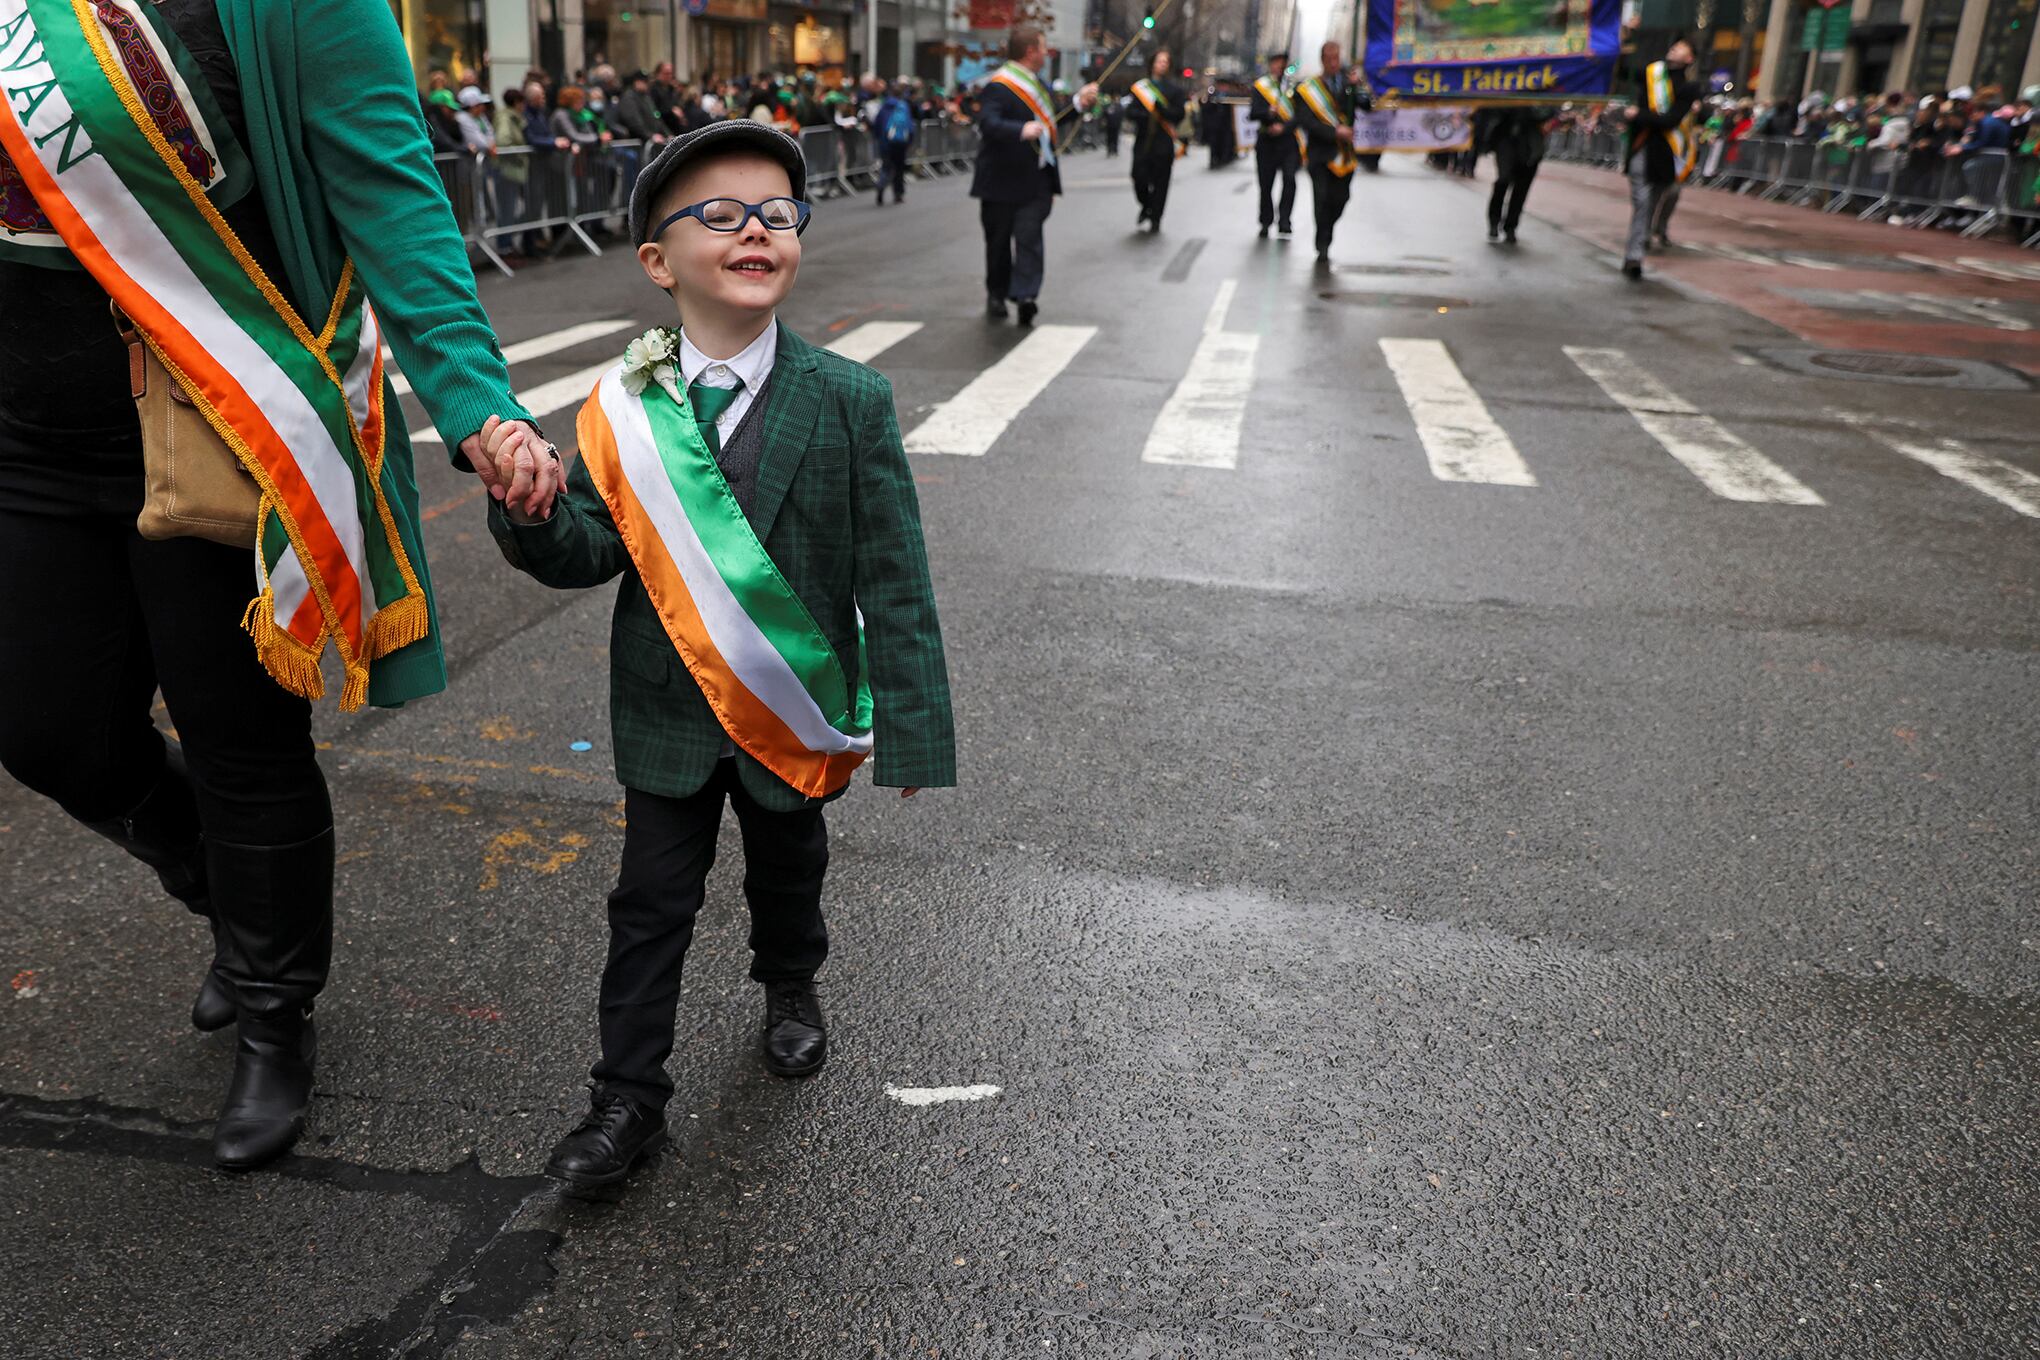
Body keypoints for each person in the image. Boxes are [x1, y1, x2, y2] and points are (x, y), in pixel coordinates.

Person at [0, 0, 545, 1172]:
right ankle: (205, 867)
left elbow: (395, 202)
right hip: (23, 431)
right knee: (45, 726)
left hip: (217, 418)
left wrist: (477, 402)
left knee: (241, 732)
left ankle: (272, 1005)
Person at [480, 122, 955, 1193]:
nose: (757, 230)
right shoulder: (623, 408)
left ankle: (791, 982)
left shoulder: (850, 398)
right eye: (723, 214)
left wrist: (917, 727)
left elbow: (895, 575)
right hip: (667, 710)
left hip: (791, 708)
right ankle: (625, 1099)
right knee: (650, 900)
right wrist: (532, 510)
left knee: (791, 866)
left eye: (778, 214)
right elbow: (590, 549)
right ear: (657, 262)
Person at [970, 25, 1099, 325]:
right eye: (1043, 47)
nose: (1046, 52)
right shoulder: (998, 86)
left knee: (1029, 239)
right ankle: (997, 294)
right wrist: (1020, 129)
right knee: (999, 244)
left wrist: (1078, 103)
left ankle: (1026, 295)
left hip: (1035, 180)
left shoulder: (1038, 85)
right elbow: (987, 123)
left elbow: (1051, 121)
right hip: (1000, 181)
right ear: (1030, 51)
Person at [1620, 37, 1701, 280]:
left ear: (1689, 58)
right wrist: (1627, 35)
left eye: (1681, 47)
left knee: (1654, 200)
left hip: (1667, 155)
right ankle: (1634, 256)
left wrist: (1639, 114)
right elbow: (1623, 70)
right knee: (1642, 202)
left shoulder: (1689, 88)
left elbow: (1670, 120)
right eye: (1673, 45)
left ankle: (1644, 238)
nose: (1674, 47)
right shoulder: (1651, 73)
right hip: (1642, 147)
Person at [1294, 41, 1360, 262]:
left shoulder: (1349, 84)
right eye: (1330, 59)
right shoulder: (1309, 89)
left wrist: (1357, 87)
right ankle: (1322, 241)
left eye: (1337, 58)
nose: (1334, 63)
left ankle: (1327, 229)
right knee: (1321, 198)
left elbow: (1367, 104)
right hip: (1320, 154)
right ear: (1322, 60)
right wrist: (1335, 132)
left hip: (1345, 155)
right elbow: (1306, 121)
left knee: (1341, 198)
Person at [1128, 49, 1189, 231]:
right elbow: (1130, 111)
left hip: (1163, 141)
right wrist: (1145, 115)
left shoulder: (1175, 90)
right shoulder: (1141, 88)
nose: (1162, 64)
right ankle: (1146, 205)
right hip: (1143, 140)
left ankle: (1156, 217)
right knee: (1138, 176)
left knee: (1161, 182)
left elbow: (1179, 114)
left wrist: (1162, 110)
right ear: (1152, 63)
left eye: (1165, 61)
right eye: (1159, 61)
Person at [1248, 53, 1299, 239]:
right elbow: (1253, 113)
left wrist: (1284, 127)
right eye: (1276, 63)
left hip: (1287, 141)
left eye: (1282, 64)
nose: (1279, 67)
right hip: (1267, 141)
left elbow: (1299, 116)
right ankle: (1265, 220)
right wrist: (1268, 114)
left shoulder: (1292, 88)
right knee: (1265, 184)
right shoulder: (1261, 87)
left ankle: (1284, 220)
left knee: (1290, 180)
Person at [1483, 105, 1549, 245]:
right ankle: (1494, 222)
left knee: (1521, 189)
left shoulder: (1543, 93)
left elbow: (1546, 112)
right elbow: (1494, 110)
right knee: (1502, 181)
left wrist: (1528, 107)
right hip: (1507, 142)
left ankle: (1511, 227)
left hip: (1530, 148)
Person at [874, 81, 918, 206]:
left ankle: (881, 185)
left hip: (885, 142)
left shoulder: (884, 106)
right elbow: (909, 126)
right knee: (899, 169)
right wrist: (910, 141)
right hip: (900, 143)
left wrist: (878, 138)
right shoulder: (903, 106)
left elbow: (877, 125)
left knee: (886, 166)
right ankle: (898, 194)